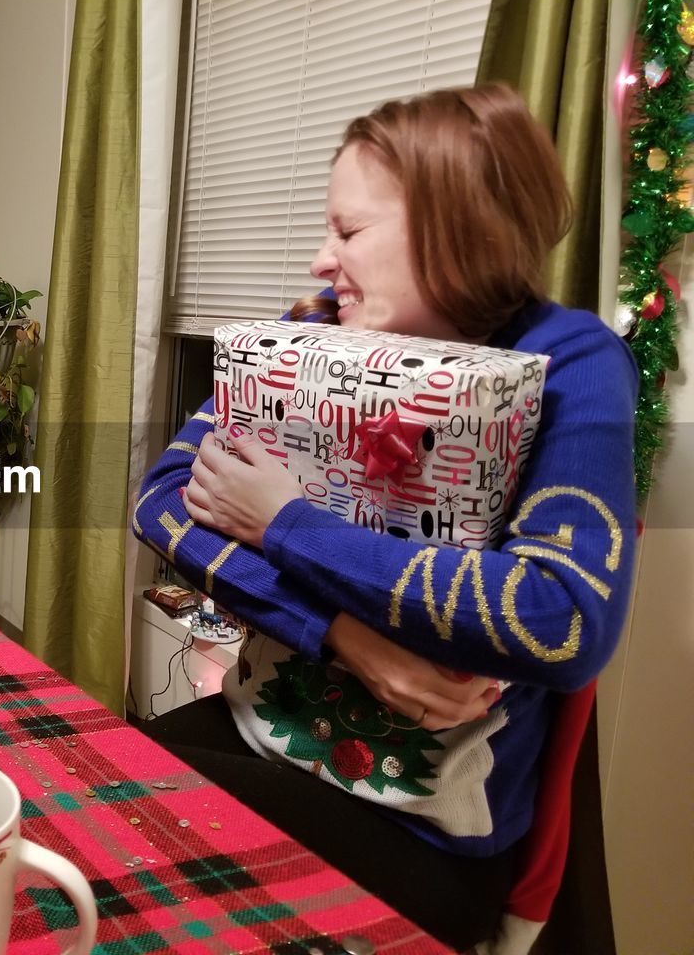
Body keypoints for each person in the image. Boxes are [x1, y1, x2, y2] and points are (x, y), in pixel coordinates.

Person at [132, 83, 637, 950]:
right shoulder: (312, 330)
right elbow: (164, 499)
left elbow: (562, 618)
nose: (321, 261)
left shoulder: (569, 359)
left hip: (422, 829)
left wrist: (284, 524)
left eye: (349, 230)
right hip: (266, 733)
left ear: (459, 227)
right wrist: (342, 634)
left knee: (131, 849)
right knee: (91, 791)